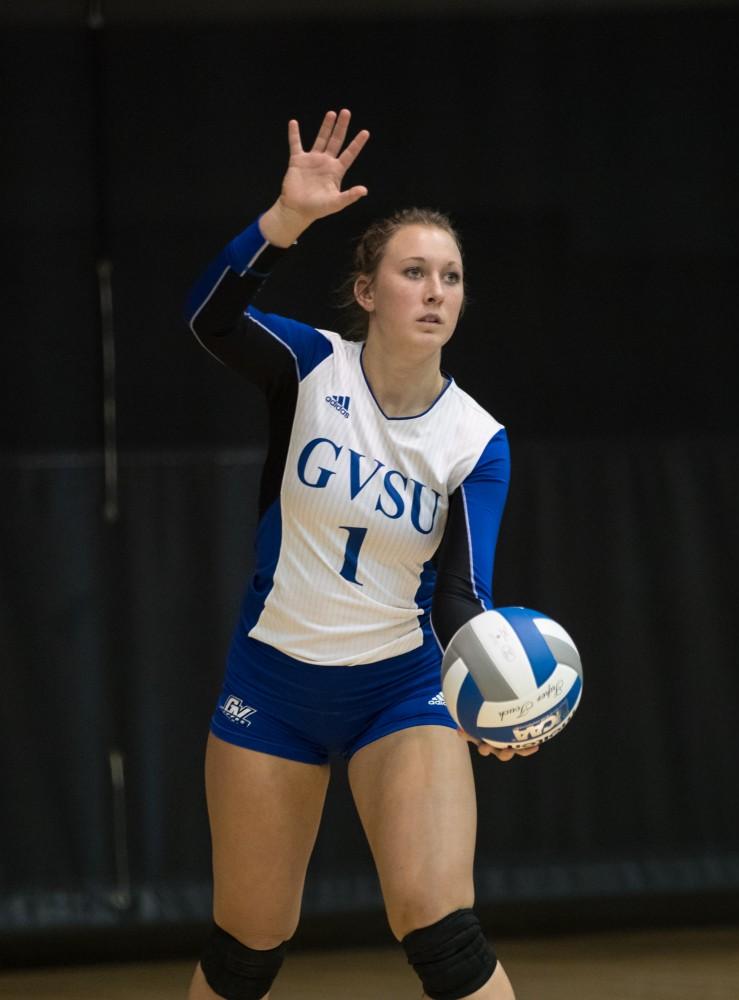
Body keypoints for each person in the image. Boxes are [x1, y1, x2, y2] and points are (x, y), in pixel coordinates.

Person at [183, 109, 537, 1000]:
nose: (434, 290)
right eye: (412, 271)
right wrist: (283, 222)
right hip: (272, 682)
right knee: (246, 947)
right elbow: (208, 320)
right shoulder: (308, 368)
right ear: (368, 291)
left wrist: (497, 690)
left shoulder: (473, 439)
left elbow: (461, 595)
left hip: (399, 689)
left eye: (450, 276)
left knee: (445, 936)